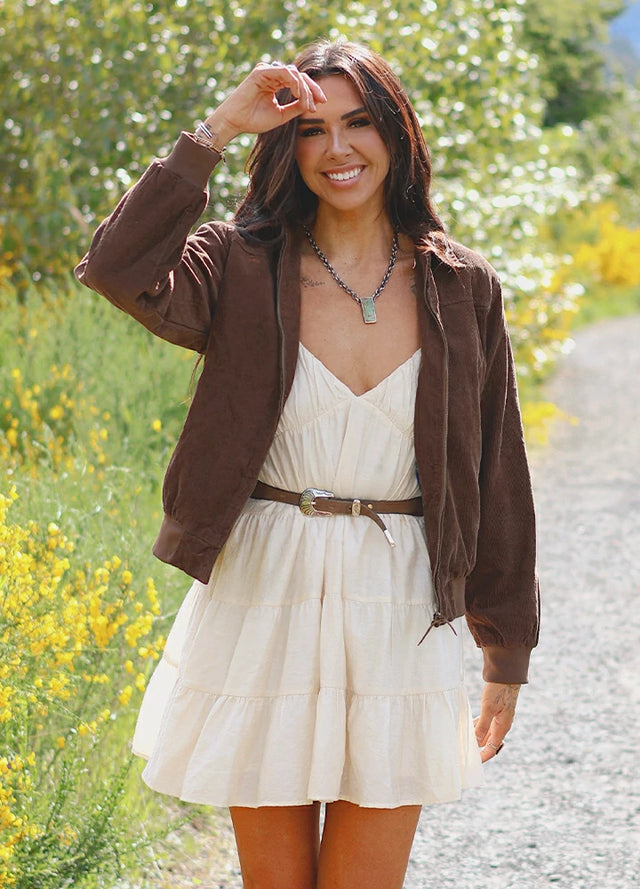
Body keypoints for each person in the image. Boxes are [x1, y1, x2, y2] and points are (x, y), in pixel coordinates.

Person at [75, 39, 539, 889]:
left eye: (359, 123)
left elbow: (495, 468)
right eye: (312, 129)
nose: (338, 150)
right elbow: (116, 267)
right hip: (265, 590)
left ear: (397, 135)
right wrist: (214, 130)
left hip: (397, 601)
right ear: (286, 147)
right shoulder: (239, 263)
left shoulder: (462, 286)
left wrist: (504, 646)